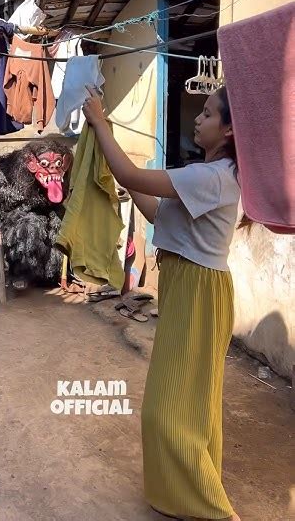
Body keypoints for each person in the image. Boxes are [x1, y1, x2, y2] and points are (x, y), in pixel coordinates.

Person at [82, 85, 241, 521]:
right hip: (189, 285)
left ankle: (211, 508)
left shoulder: (212, 177)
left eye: (208, 114)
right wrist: (111, 145)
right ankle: (182, 492)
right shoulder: (206, 177)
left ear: (228, 130)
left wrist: (100, 123)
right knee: (191, 400)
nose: (198, 118)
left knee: (167, 408)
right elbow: (154, 211)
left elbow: (134, 175)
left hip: (199, 291)